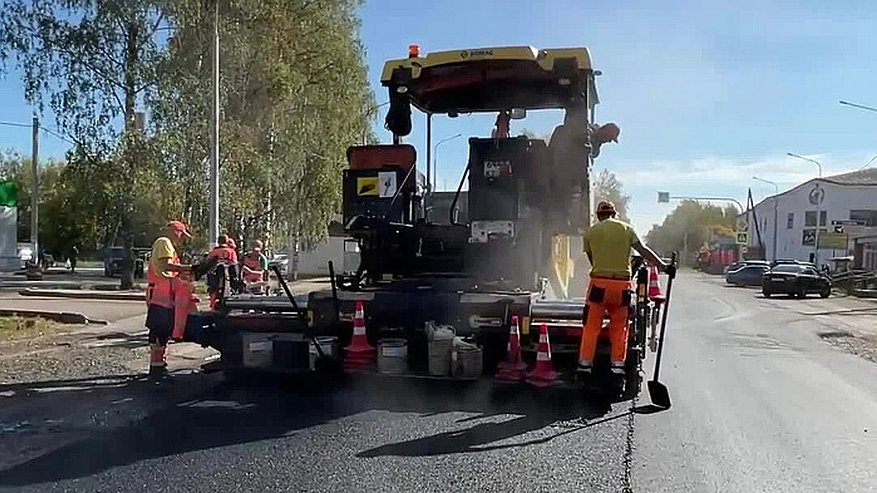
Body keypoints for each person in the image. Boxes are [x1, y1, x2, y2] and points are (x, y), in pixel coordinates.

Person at [578, 201, 671, 375]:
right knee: (620, 327)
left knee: (591, 326)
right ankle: (617, 367)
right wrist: (663, 266)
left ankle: (584, 365)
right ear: (614, 214)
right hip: (622, 286)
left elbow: (593, 260)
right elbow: (643, 251)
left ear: (598, 215)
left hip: (599, 284)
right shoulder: (627, 229)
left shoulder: (591, 233)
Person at [145, 221, 192, 378]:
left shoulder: (167, 244)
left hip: (163, 295)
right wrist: (187, 268)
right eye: (181, 234)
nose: (181, 238)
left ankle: (158, 365)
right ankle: (157, 368)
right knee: (159, 331)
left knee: (162, 331)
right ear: (174, 231)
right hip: (160, 295)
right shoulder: (164, 242)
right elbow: (166, 266)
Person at [206, 234, 239, 309]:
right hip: (228, 278)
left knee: (213, 287)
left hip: (215, 277)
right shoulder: (231, 252)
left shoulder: (213, 252)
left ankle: (212, 303)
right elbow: (234, 265)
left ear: (218, 241)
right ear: (227, 241)